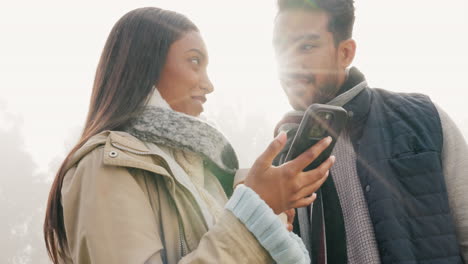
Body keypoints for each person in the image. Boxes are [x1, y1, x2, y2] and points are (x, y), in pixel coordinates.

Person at [42, 7, 336, 264]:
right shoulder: (104, 164)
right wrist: (252, 216)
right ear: (147, 64)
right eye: (195, 61)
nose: (208, 85)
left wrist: (268, 221)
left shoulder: (209, 176)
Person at [272, 0, 468, 263]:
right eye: (280, 47)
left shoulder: (422, 119)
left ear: (345, 53)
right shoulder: (280, 159)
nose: (290, 63)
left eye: (306, 46)